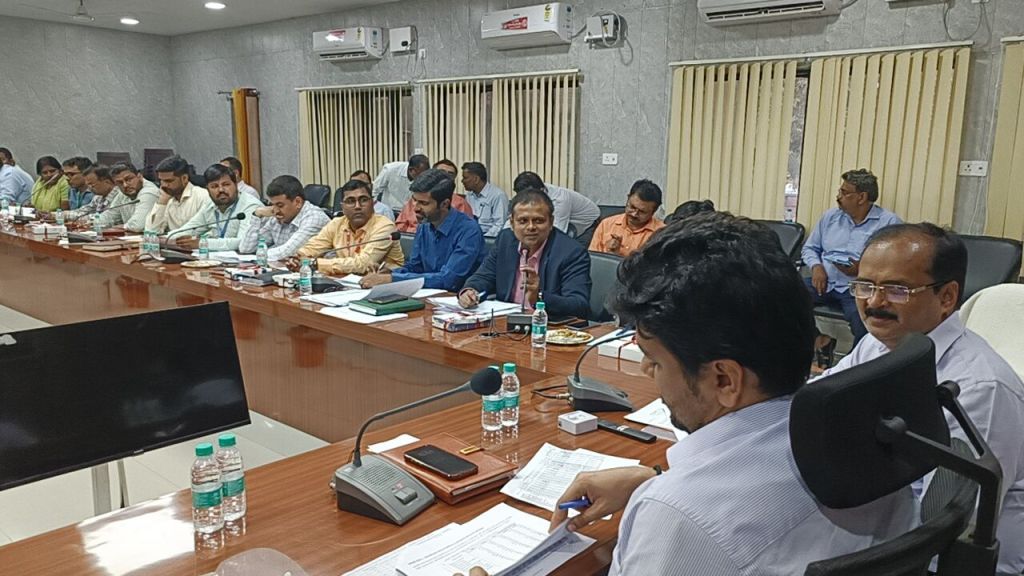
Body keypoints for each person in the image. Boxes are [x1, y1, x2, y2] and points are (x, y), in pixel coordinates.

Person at [456, 213, 916, 576]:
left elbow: (712, 522)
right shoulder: (865, 437)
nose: (646, 370)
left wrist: (664, 495)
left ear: (724, 380)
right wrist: (652, 478)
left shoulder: (678, 519)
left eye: (655, 361)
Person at [822, 223, 1024, 575]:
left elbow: (953, 520)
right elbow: (822, 404)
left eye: (897, 290)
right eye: (865, 286)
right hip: (888, 514)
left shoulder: (980, 387)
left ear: (946, 297)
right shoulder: (877, 344)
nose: (874, 302)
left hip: (952, 561)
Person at [801, 169, 902, 346]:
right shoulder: (831, 217)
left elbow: (895, 263)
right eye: (840, 191)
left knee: (865, 319)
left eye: (844, 192)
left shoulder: (888, 223)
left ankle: (856, 361)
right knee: (783, 295)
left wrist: (862, 270)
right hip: (824, 282)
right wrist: (817, 267)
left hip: (859, 289)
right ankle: (819, 341)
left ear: (861, 197)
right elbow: (810, 248)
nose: (838, 197)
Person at [459, 188, 591, 319]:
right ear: (512, 223)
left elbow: (579, 305)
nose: (531, 227)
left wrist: (539, 297)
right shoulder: (505, 240)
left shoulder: (571, 252)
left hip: (547, 325)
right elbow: (483, 276)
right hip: (505, 322)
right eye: (523, 221)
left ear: (551, 222)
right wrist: (470, 291)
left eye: (539, 221)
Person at [361, 169, 484, 291]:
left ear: (444, 204)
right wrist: (389, 272)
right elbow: (415, 267)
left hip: (457, 297)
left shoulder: (469, 231)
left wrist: (392, 279)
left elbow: (448, 280)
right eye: (414, 200)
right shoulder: (424, 225)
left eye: (424, 203)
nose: (415, 208)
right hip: (426, 295)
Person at [290, 179, 403, 275]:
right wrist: (298, 258)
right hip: (347, 281)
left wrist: (315, 263)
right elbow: (313, 247)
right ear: (342, 207)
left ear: (372, 203)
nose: (357, 206)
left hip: (386, 283)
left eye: (363, 200)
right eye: (350, 201)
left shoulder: (385, 226)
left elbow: (363, 264)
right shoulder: (337, 223)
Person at [166, 164, 262, 251]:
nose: (221, 190)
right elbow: (189, 229)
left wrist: (202, 243)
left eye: (226, 184)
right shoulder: (210, 205)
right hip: (220, 259)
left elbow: (242, 242)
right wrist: (164, 238)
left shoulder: (250, 205)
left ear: (236, 185)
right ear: (207, 189)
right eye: (214, 186)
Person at [239, 175, 329, 261]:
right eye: (272, 205)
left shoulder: (314, 218)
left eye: (280, 205)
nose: (275, 210)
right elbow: (246, 248)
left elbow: (286, 253)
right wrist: (257, 214)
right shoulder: (277, 216)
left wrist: (260, 254)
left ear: (298, 202)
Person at [589, 179, 665, 257]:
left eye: (642, 212)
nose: (634, 214)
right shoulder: (606, 224)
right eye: (632, 207)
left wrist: (616, 257)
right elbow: (593, 258)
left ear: (654, 211)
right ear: (628, 198)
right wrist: (609, 255)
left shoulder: (662, 234)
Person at [395, 159, 473, 233]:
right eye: (441, 172)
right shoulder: (416, 202)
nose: (416, 207)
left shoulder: (461, 204)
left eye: (450, 174)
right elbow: (400, 226)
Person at [511, 171, 599, 235]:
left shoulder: (560, 200)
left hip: (588, 223)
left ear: (541, 190)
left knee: (568, 249)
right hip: (566, 220)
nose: (525, 199)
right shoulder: (530, 191)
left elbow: (557, 231)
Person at [144, 155, 212, 234]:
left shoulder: (202, 196)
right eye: (161, 181)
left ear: (184, 178)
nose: (164, 185)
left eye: (169, 181)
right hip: (171, 241)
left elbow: (210, 230)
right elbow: (151, 231)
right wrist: (162, 203)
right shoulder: (167, 199)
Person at [110, 162, 161, 233]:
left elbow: (138, 226)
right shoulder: (123, 194)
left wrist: (124, 226)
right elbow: (109, 216)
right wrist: (94, 222)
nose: (125, 185)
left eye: (129, 179)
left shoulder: (149, 192)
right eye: (120, 182)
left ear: (139, 176)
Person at [461, 162, 507, 237]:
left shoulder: (498, 195)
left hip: (489, 237)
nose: (462, 181)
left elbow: (499, 225)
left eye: (465, 178)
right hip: (470, 235)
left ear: (476, 179)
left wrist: (483, 238)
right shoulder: (469, 195)